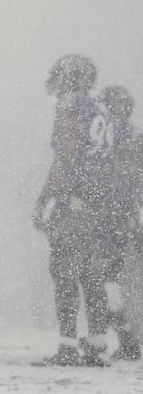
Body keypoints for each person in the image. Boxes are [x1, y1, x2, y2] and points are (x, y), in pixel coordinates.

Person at [32, 55, 113, 367]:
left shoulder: (70, 105)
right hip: (98, 196)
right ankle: (96, 344)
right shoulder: (101, 108)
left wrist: (47, 197)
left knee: (64, 270)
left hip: (75, 195)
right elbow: (105, 159)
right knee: (92, 274)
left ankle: (67, 346)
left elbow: (65, 156)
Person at [97, 85, 142, 360]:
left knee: (105, 278)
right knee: (115, 278)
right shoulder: (136, 136)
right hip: (127, 215)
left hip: (108, 213)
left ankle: (126, 338)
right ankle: (127, 338)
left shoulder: (108, 136)